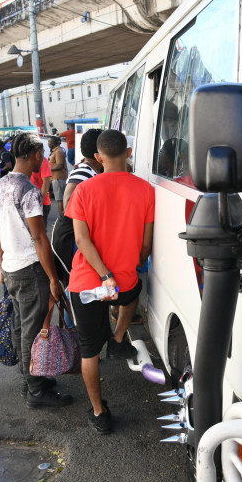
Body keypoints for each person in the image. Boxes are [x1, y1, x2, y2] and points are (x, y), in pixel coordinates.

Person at [66, 129, 154, 434]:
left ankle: (100, 413)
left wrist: (105, 276)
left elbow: (81, 239)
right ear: (128, 153)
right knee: (133, 293)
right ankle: (118, 340)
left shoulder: (84, 190)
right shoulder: (146, 190)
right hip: (124, 283)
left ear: (99, 157)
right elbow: (146, 245)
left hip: (87, 284)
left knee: (89, 350)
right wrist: (128, 267)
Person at [0, 132, 73, 408]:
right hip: (30, 269)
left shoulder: (0, 185)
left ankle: (29, 379)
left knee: (20, 327)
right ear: (36, 155)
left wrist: (1, 265)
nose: (44, 160)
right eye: (41, 156)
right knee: (32, 330)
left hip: (12, 268)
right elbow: (39, 238)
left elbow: (0, 234)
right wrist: (53, 278)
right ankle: (36, 391)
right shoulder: (28, 191)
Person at [50, 128, 102, 289]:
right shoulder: (83, 171)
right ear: (99, 152)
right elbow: (68, 201)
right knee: (76, 288)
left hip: (76, 237)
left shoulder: (91, 170)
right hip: (72, 239)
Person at [30, 155, 53, 228]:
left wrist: (39, 202)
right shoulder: (26, 159)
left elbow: (46, 183)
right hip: (28, 202)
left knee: (40, 233)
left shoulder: (43, 161)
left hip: (40, 203)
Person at [48, 136, 68, 217]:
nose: (48, 143)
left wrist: (49, 169)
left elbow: (59, 165)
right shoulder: (55, 151)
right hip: (56, 178)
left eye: (49, 142)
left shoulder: (58, 151)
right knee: (60, 199)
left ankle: (62, 218)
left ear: (54, 142)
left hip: (59, 178)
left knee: (60, 200)